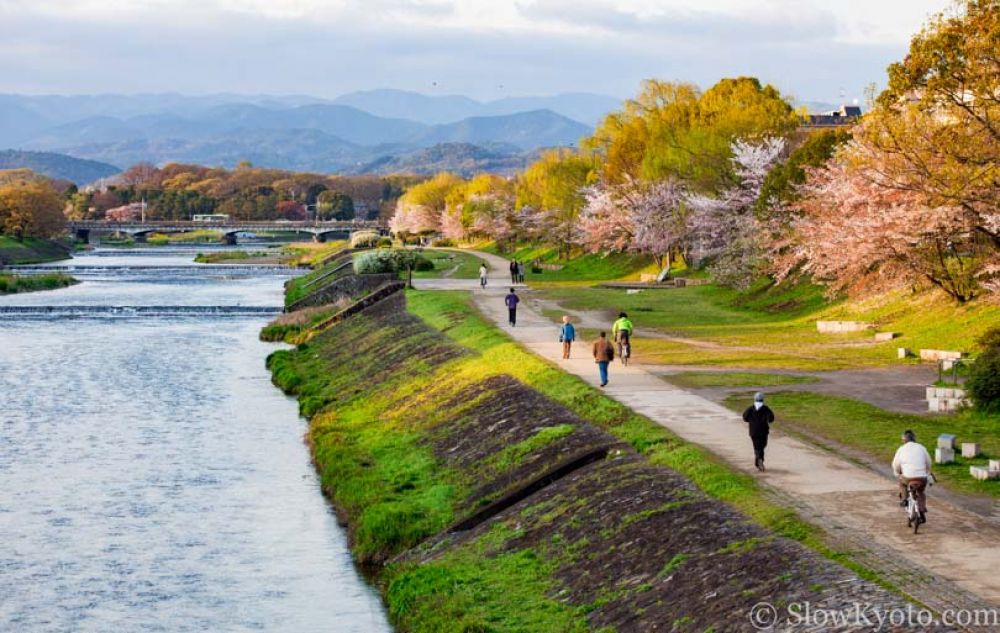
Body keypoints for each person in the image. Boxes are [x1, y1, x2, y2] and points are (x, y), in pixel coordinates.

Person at [892, 430, 933, 524]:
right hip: (921, 477)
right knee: (921, 492)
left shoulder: (901, 449)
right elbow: (929, 462)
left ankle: (904, 500)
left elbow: (895, 464)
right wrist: (927, 471)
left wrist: (897, 473)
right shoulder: (921, 448)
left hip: (908, 477)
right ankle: (921, 509)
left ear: (903, 440)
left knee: (902, 484)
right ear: (914, 439)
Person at [742, 392, 774, 471]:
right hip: (763, 431)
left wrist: (751, 421)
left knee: (757, 447)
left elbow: (745, 417)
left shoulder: (750, 408)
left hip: (753, 431)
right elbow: (771, 418)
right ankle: (760, 460)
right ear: (763, 399)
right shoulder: (766, 408)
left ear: (755, 399)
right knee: (762, 445)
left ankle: (759, 460)